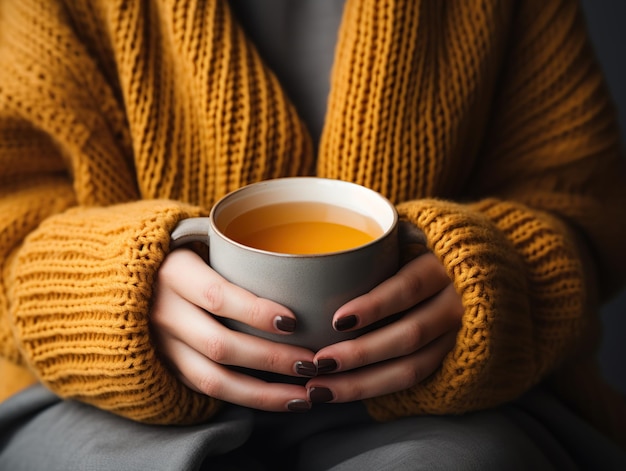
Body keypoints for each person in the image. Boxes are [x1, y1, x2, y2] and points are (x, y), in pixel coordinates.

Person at [0, 0, 625, 469]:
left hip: (444, 405)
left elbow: (584, 208)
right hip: (105, 399)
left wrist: (490, 286)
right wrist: (105, 297)